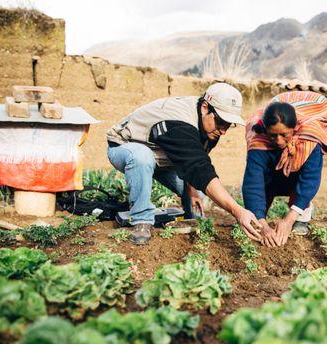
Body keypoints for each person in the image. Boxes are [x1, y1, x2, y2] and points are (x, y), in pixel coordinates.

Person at [106, 83, 261, 245]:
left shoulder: (210, 127)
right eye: (221, 122)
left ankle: (192, 221)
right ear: (205, 107)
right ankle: (141, 220)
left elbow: (194, 164)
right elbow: (199, 168)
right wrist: (238, 211)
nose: (223, 131)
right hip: (125, 148)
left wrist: (192, 192)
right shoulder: (179, 122)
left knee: (198, 195)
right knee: (142, 157)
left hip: (163, 157)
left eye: (228, 124)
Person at [242, 91, 327, 247]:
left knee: (301, 195)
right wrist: (262, 225)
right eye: (272, 135)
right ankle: (258, 218)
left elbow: (309, 180)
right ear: (265, 129)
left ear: (295, 128)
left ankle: (302, 217)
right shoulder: (258, 140)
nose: (278, 141)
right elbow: (253, 184)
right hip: (272, 176)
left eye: (284, 135)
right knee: (256, 221)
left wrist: (289, 220)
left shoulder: (310, 140)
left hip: (295, 177)